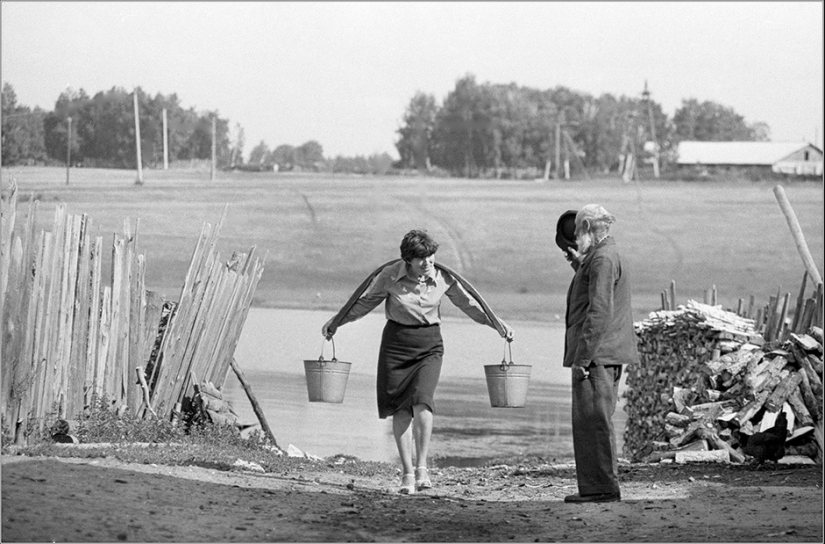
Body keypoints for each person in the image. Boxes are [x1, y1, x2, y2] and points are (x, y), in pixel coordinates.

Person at [322, 229, 513, 494]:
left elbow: (469, 305)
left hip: (429, 345)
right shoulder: (389, 276)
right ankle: (407, 473)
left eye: (431, 256)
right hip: (396, 345)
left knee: (423, 400)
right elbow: (363, 304)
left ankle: (422, 468)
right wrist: (336, 322)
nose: (428, 262)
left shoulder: (444, 277)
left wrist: (497, 325)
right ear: (408, 259)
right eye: (421, 258)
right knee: (400, 408)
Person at [556, 205, 639, 503]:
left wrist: (582, 359)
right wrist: (580, 266)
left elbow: (600, 312)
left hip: (596, 356)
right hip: (605, 354)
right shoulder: (605, 257)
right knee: (595, 420)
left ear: (588, 225)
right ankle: (599, 486)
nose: (576, 238)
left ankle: (601, 489)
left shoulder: (602, 259)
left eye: (578, 231)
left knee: (593, 422)